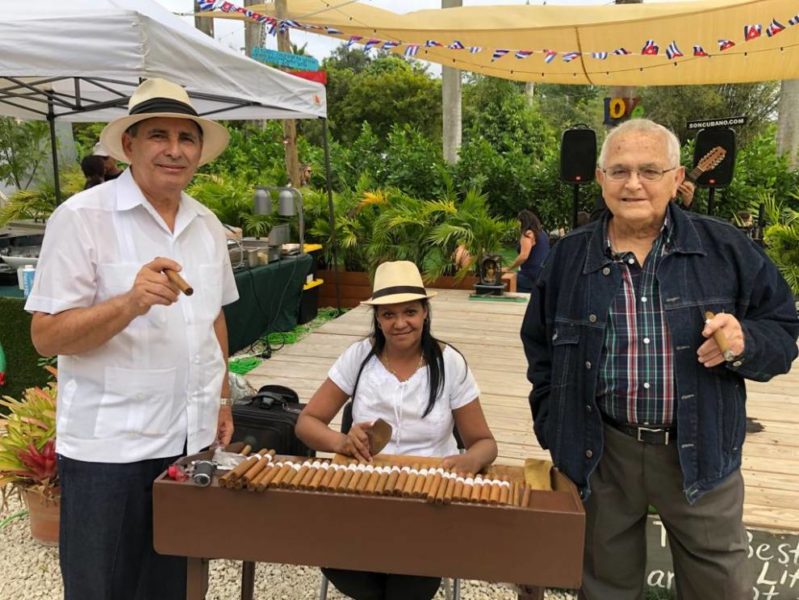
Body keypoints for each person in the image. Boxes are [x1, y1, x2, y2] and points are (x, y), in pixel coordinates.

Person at [520, 118, 798, 600]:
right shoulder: (568, 258)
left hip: (701, 448)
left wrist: (745, 341)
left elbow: (784, 328)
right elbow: (539, 347)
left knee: (720, 587)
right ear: (601, 178)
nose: (633, 183)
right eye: (619, 170)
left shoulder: (725, 248)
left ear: (677, 178)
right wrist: (554, 426)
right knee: (603, 588)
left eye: (650, 170)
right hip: (602, 452)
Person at [26, 78, 238, 600]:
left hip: (188, 444)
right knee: (102, 589)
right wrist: (129, 303)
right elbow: (45, 336)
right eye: (158, 135)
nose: (174, 150)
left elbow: (212, 318)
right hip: (110, 451)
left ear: (199, 151)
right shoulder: (81, 218)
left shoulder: (207, 225)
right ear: (129, 144)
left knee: (175, 586)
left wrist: (222, 398)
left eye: (186, 138)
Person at [296, 260, 498, 600]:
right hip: (364, 494)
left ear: (425, 313)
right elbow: (307, 422)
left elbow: (485, 443)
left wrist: (470, 460)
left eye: (410, 312)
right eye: (388, 314)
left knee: (411, 581)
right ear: (377, 318)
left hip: (430, 500)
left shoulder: (449, 362)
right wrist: (342, 442)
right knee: (341, 562)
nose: (400, 323)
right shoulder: (359, 357)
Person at [504, 209, 550, 293]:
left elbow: (524, 256)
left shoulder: (528, 234)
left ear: (523, 221)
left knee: (504, 280)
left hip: (530, 277)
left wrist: (509, 268)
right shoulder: (543, 234)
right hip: (543, 275)